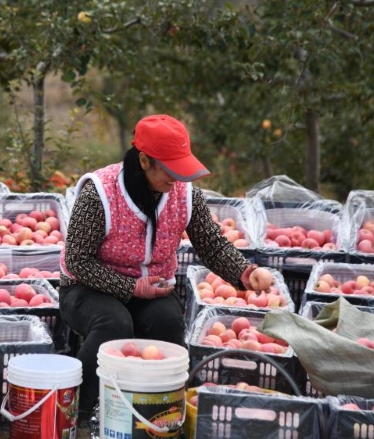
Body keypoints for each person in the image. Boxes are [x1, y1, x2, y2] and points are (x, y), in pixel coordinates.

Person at [58, 114, 273, 421]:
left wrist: (245, 272)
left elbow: (210, 243)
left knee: (169, 324)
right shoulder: (100, 193)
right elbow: (78, 261)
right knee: (114, 324)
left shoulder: (185, 195)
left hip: (152, 287)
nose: (177, 180)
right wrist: (129, 287)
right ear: (145, 161)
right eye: (170, 171)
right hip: (88, 287)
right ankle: (81, 413)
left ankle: (158, 414)